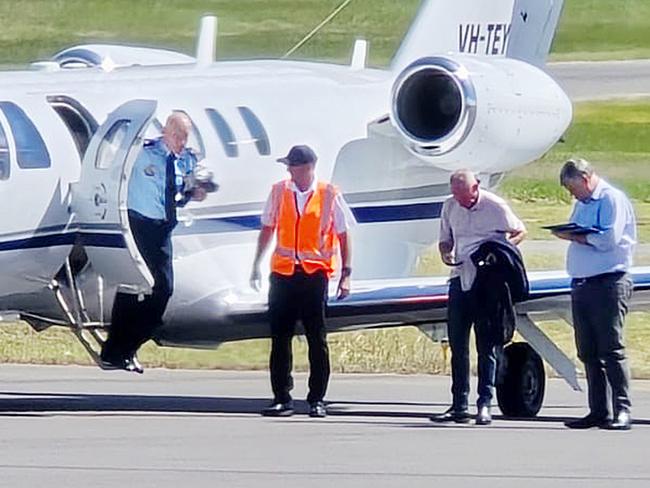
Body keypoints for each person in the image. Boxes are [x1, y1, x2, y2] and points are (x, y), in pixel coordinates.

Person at [250, 144, 354, 418]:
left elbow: (343, 235)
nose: (288, 170)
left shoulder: (329, 194)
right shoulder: (279, 192)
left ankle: (316, 398)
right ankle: (281, 397)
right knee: (279, 338)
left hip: (314, 275)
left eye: (292, 165)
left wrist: (346, 273)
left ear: (307, 168)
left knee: (316, 339)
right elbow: (267, 228)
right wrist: (256, 264)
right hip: (283, 273)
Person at [100, 112, 205, 373]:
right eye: (177, 135)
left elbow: (187, 191)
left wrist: (198, 192)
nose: (181, 141)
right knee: (136, 286)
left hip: (162, 228)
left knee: (162, 290)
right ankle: (117, 350)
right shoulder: (141, 154)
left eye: (185, 137)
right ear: (166, 132)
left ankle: (128, 345)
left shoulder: (186, 160)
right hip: (138, 224)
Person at [431, 170, 526, 425]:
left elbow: (519, 231)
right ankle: (459, 404)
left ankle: (485, 402)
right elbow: (445, 239)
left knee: (487, 345)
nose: (462, 201)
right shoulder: (450, 206)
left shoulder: (494, 206)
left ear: (477, 187)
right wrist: (445, 253)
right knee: (458, 344)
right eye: (457, 196)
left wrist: (501, 251)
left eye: (466, 196)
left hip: (488, 281)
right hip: (460, 277)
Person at [553, 159, 636, 430]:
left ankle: (622, 409)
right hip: (582, 283)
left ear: (586, 179)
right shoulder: (582, 204)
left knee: (611, 348)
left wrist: (578, 238)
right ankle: (598, 410)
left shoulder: (612, 200)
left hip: (609, 282)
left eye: (573, 187)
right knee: (588, 351)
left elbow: (608, 239)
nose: (572, 194)